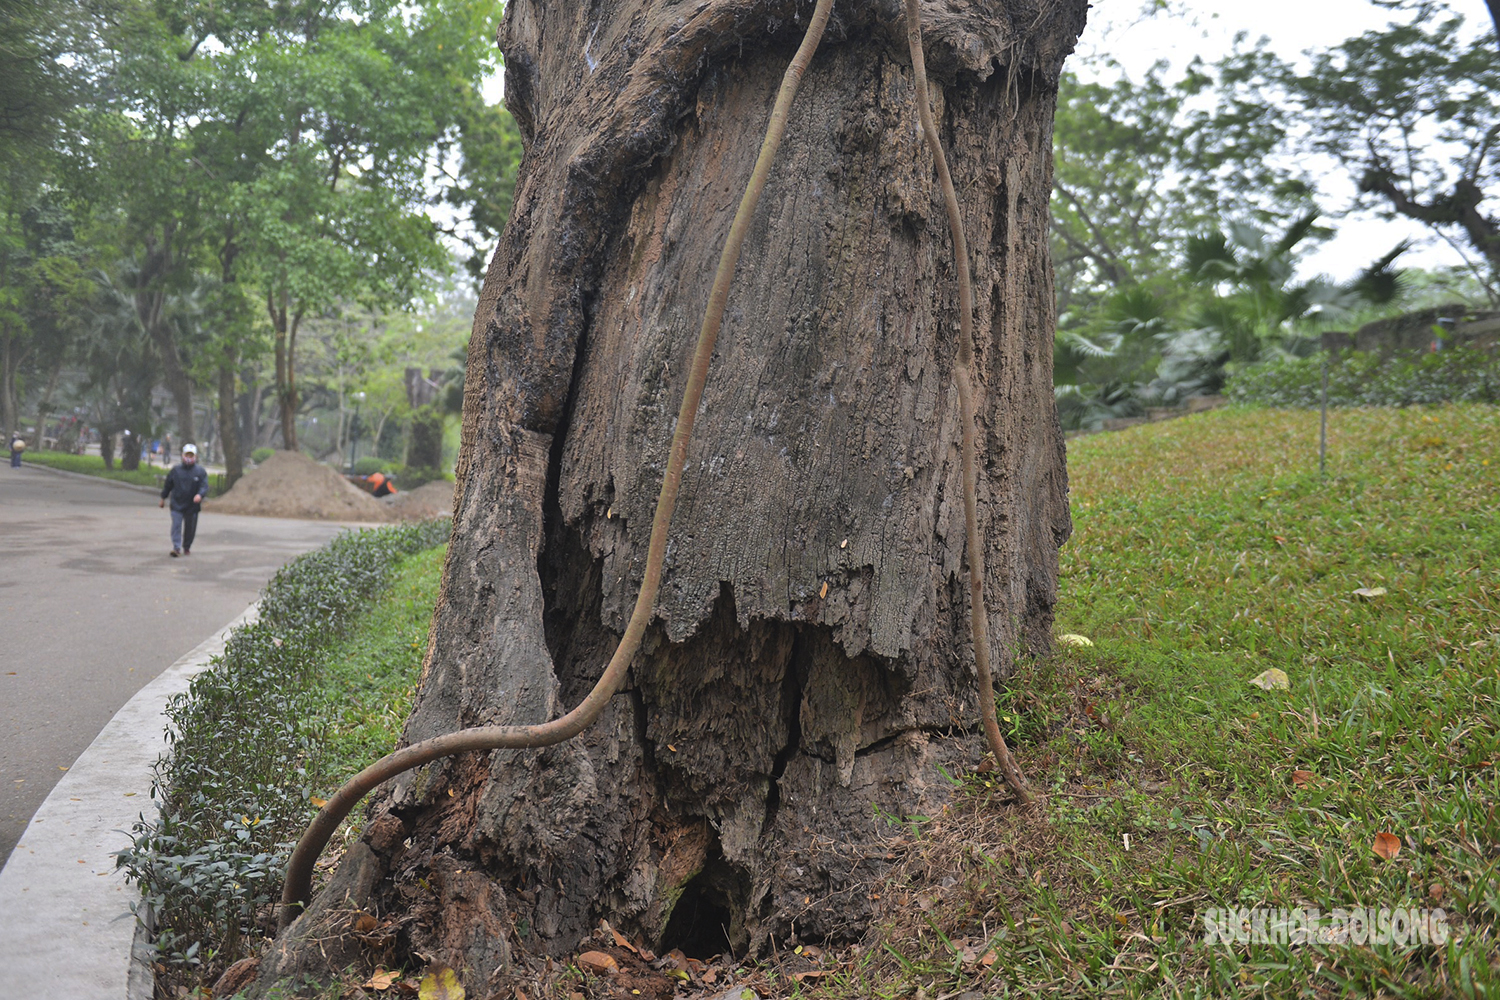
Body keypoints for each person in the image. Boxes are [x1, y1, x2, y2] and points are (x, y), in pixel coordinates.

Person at [159, 443, 208, 557]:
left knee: (190, 528)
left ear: (195, 457)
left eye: (191, 455)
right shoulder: (176, 470)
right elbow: (168, 485)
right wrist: (163, 498)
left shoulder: (200, 472)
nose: (189, 458)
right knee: (176, 525)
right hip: (177, 504)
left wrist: (200, 495)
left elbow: (204, 486)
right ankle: (176, 547)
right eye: (187, 455)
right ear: (182, 455)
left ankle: (187, 546)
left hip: (192, 506)